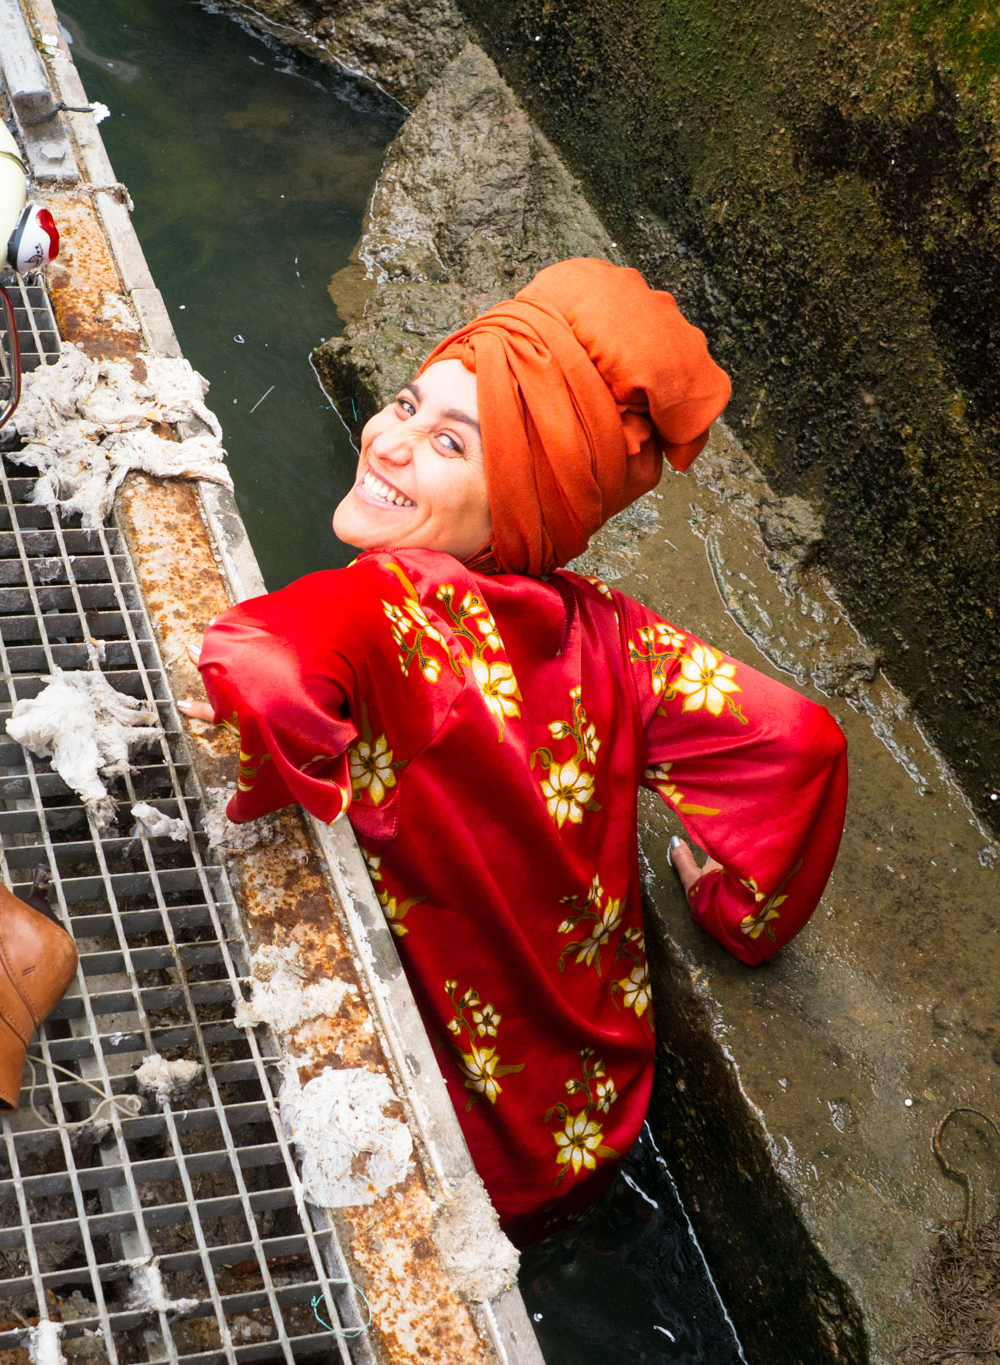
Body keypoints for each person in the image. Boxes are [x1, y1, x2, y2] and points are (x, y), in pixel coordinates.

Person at [179, 258, 848, 1245]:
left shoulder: (375, 613)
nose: (390, 442)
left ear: (524, 507)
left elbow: (264, 668)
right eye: (406, 405)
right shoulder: (618, 637)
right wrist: (732, 907)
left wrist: (287, 774)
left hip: (447, 1148)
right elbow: (802, 743)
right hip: (594, 1117)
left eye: (446, 443)